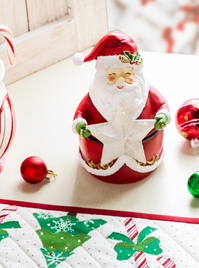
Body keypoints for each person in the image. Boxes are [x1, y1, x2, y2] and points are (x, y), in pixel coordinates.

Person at [72, 31, 169, 183]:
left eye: (127, 74)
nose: (120, 81)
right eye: (112, 75)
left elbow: (161, 104)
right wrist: (79, 124)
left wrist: (163, 115)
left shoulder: (144, 91)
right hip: (99, 154)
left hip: (146, 148)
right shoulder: (96, 94)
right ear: (103, 75)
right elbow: (81, 111)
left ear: (136, 73)